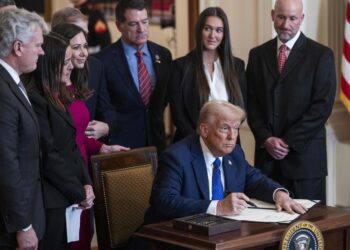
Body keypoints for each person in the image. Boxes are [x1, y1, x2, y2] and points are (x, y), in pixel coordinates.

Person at [144, 101, 306, 224]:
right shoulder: (176, 156)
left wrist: (279, 194)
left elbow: (254, 179)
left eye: (235, 129)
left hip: (219, 235)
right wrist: (218, 207)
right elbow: (164, 201)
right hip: (169, 237)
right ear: (204, 130)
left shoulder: (234, 153)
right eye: (224, 128)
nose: (232, 136)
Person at [246, 0, 336, 203]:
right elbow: (251, 104)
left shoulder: (321, 55)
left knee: (306, 230)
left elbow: (322, 107)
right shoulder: (257, 55)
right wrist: (266, 138)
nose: (286, 24)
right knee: (267, 230)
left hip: (305, 164)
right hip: (267, 164)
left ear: (301, 19)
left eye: (292, 18)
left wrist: (288, 142)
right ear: (272, 15)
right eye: (281, 17)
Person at [51, 23, 129, 250]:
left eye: (85, 46)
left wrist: (103, 149)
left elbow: (79, 134)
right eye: (76, 47)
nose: (83, 52)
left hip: (83, 171)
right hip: (66, 177)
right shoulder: (50, 91)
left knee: (83, 238)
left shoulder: (72, 85)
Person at [95, 0, 172, 152]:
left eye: (145, 22)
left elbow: (163, 99)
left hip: (157, 144)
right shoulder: (103, 61)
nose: (141, 29)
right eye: (133, 24)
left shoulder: (163, 55)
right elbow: (103, 106)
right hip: (121, 146)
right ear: (119, 26)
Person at [0, 8, 47, 250]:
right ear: (18, 47)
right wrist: (23, 226)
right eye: (38, 45)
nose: (42, 51)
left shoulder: (13, 82)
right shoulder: (2, 90)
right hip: (11, 227)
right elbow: (6, 163)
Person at [168, 7, 246, 143]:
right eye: (207, 29)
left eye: (219, 30)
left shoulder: (237, 66)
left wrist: (226, 136)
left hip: (228, 144)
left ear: (224, 34)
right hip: (191, 144)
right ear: (199, 31)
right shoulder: (179, 67)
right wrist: (203, 142)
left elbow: (242, 109)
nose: (213, 35)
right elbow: (178, 116)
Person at [51, 7, 113, 140]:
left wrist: (107, 127)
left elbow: (107, 110)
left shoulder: (95, 66)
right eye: (76, 32)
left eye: (85, 34)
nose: (82, 38)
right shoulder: (47, 71)